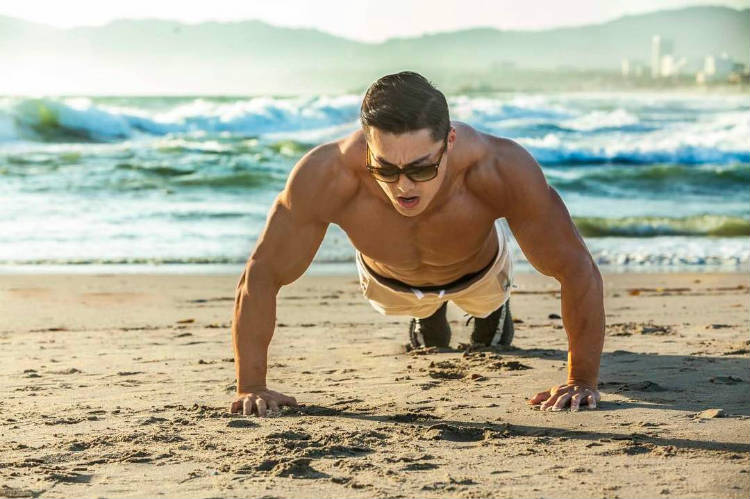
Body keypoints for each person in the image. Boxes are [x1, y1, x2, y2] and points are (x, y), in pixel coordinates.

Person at [229, 71, 604, 417]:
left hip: (483, 274)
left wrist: (581, 379)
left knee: (487, 309)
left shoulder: (500, 166)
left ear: (449, 141)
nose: (404, 186)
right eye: (386, 169)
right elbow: (262, 274)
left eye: (422, 169)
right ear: (367, 150)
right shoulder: (326, 174)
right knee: (424, 320)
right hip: (386, 283)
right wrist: (251, 385)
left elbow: (575, 267)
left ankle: (492, 311)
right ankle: (427, 311)